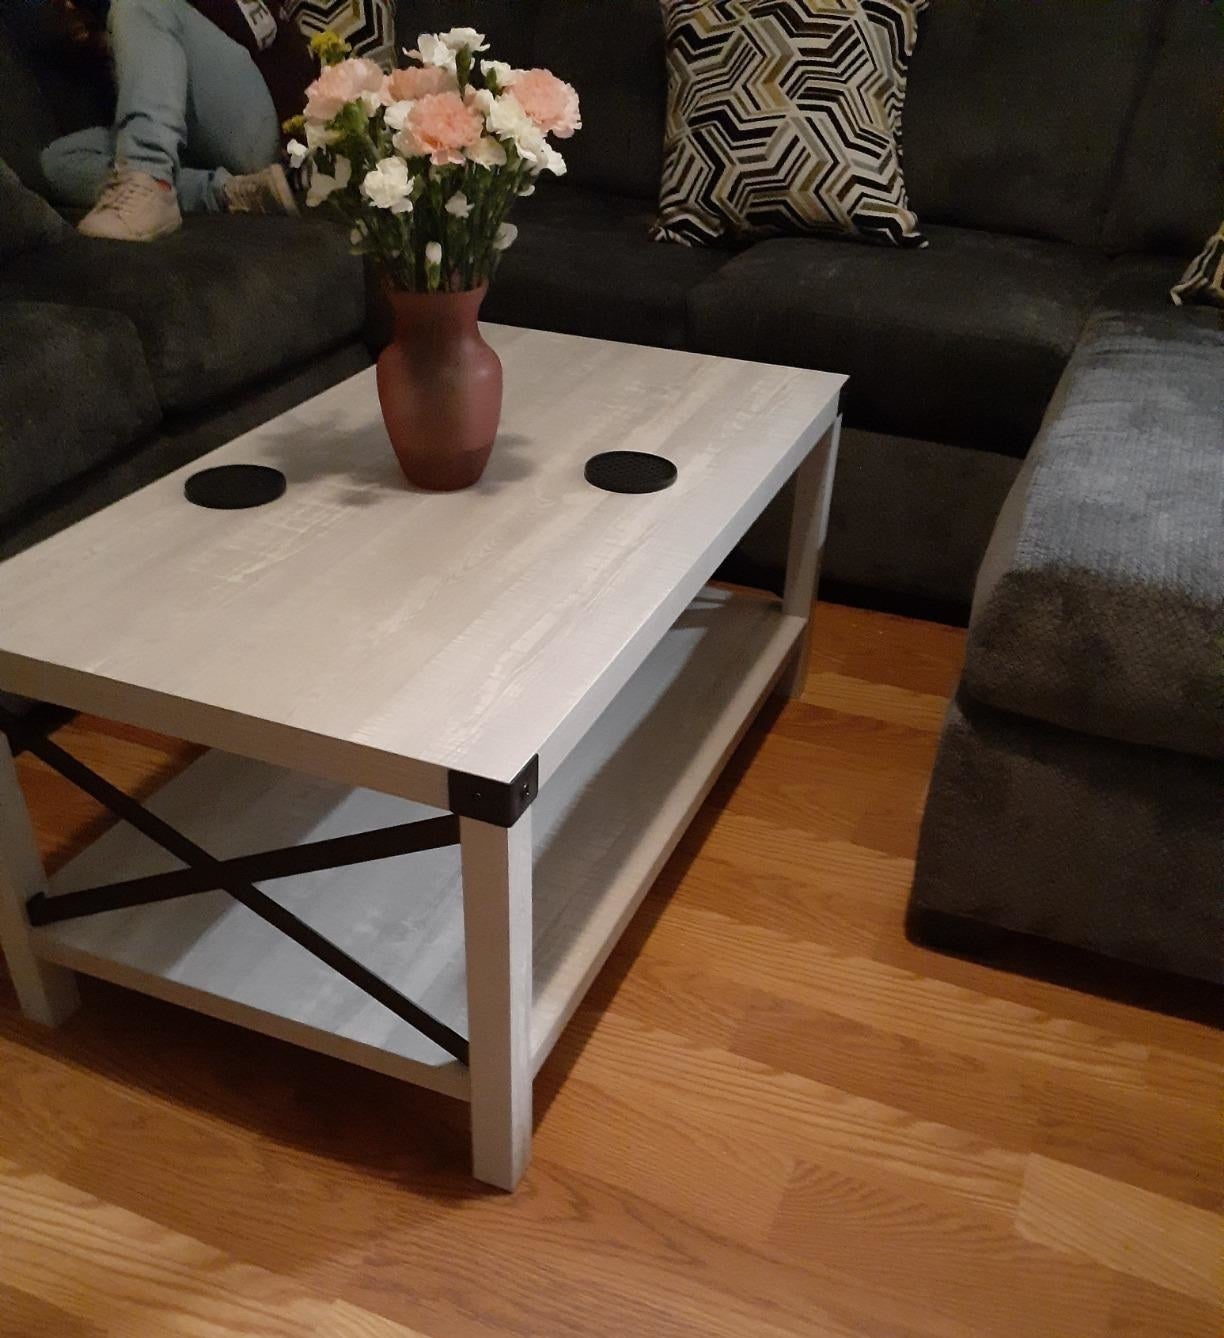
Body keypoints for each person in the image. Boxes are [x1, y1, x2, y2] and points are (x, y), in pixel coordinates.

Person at [40, 0, 316, 241]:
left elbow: (252, 32)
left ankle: (149, 174)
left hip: (267, 125)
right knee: (57, 163)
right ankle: (228, 193)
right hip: (184, 134)